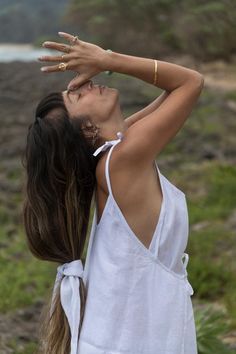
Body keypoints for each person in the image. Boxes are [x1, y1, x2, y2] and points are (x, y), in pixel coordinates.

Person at [22, 31, 204, 354]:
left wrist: (106, 62)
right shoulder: (119, 165)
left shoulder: (117, 155)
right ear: (88, 129)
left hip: (132, 336)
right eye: (76, 95)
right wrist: (108, 61)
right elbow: (190, 82)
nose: (84, 83)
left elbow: (175, 89)